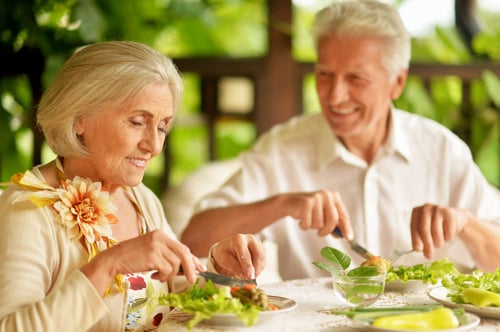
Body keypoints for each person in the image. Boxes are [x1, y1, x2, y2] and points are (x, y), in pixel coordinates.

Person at [181, 0, 500, 280]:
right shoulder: (283, 149)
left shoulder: (441, 151)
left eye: (356, 79)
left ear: (397, 82)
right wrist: (284, 204)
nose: (334, 96)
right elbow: (193, 240)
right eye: (324, 75)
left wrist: (466, 224)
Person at [0, 41, 265, 332]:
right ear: (79, 119)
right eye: (138, 122)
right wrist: (108, 264)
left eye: (162, 127)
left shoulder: (141, 199)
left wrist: (219, 271)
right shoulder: (26, 209)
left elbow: (167, 297)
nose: (153, 145)